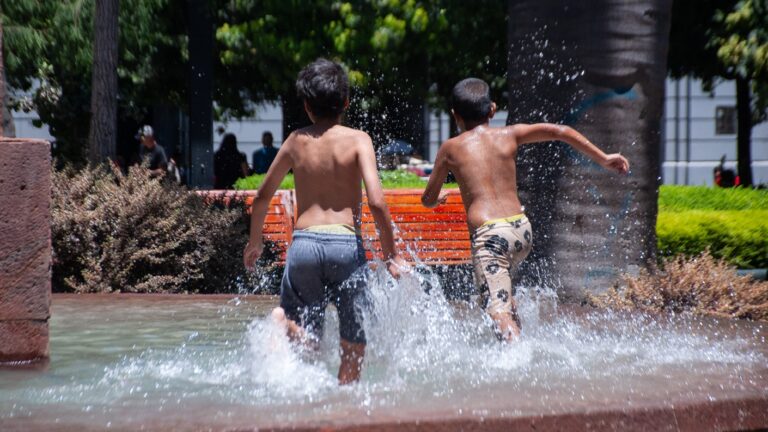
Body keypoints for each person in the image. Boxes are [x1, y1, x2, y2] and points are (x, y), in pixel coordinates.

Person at [421, 78, 629, 342]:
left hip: (491, 239)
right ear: (492, 110)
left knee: (496, 311)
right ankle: (519, 345)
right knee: (506, 300)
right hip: (521, 231)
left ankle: (519, 359)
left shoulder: (450, 148)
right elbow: (560, 131)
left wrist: (436, 199)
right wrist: (604, 158)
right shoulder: (510, 134)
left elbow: (427, 198)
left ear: (455, 115)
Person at [243, 58, 409, 384]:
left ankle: (284, 324)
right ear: (346, 102)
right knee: (354, 344)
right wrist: (392, 255)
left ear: (307, 106)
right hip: (346, 245)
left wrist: (255, 241)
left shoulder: (295, 141)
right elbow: (377, 202)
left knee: (307, 340)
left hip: (304, 245)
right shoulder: (359, 139)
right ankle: (346, 401)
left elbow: (262, 196)